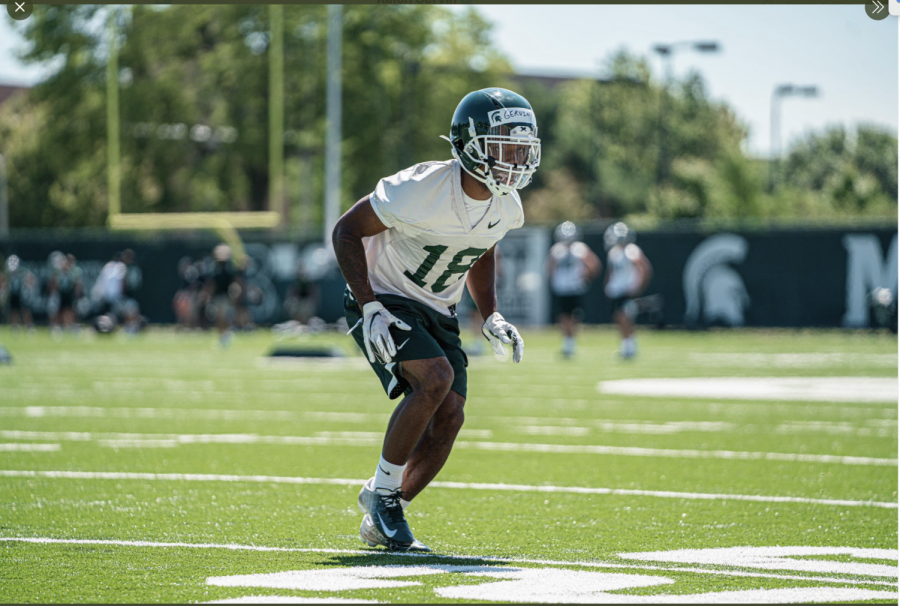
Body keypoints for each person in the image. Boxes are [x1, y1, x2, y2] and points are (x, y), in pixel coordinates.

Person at [332, 87, 539, 552]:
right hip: (385, 295)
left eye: (523, 144)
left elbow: (482, 248)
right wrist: (369, 307)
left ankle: (385, 504)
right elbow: (346, 231)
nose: (517, 156)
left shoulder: (507, 204)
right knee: (435, 378)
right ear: (471, 144)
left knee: (451, 415)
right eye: (505, 143)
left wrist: (490, 313)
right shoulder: (419, 189)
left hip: (437, 305)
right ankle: (384, 498)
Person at [547, 221, 602, 358]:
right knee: (563, 317)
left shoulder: (580, 248)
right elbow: (550, 268)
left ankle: (571, 344)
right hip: (561, 288)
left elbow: (594, 265)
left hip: (574, 288)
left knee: (572, 317)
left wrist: (584, 277)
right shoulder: (556, 250)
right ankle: (567, 343)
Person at [603, 221, 653, 359]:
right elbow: (610, 273)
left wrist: (638, 287)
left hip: (626, 290)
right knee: (619, 319)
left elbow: (644, 268)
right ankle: (626, 347)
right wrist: (608, 287)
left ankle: (630, 348)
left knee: (625, 318)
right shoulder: (614, 252)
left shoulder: (631, 250)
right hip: (617, 291)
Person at [3, 255, 37, 330]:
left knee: (25, 311)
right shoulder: (9, 275)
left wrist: (27, 287)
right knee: (13, 311)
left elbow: (31, 280)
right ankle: (14, 326)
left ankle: (28, 326)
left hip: (21, 294)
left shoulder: (22, 273)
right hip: (13, 294)